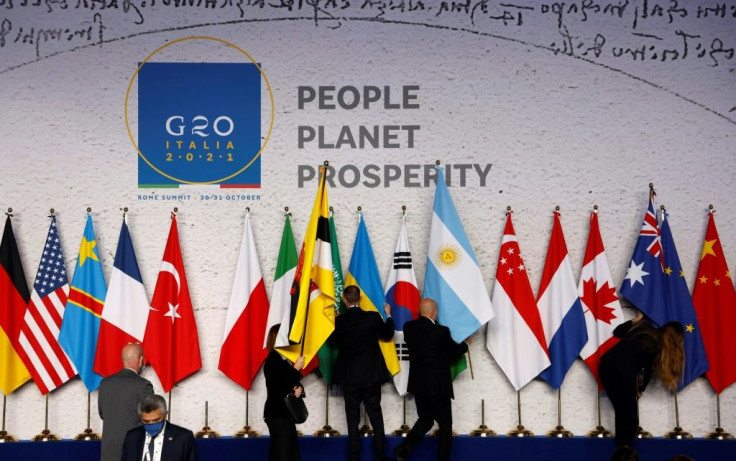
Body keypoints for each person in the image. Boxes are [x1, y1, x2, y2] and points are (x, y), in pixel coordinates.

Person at [394, 298, 470, 461]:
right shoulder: (441, 331)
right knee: (445, 425)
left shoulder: (409, 328)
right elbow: (454, 350)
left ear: (420, 311)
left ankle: (403, 449)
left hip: (419, 386)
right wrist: (466, 344)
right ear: (434, 313)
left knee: (425, 420)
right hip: (438, 386)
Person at [599, 309, 685, 449]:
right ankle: (625, 452)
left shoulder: (644, 327)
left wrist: (636, 319)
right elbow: (646, 371)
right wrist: (640, 390)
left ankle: (622, 451)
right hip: (620, 374)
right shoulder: (655, 347)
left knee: (623, 415)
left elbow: (618, 332)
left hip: (605, 367)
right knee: (630, 419)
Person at [329, 285, 394, 461]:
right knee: (376, 415)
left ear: (344, 300)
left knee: (352, 417)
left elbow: (332, 343)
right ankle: (380, 454)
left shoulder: (340, 321)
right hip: (371, 376)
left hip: (349, 377)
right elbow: (388, 335)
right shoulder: (372, 317)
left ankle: (354, 456)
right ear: (360, 299)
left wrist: (335, 321)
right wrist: (388, 315)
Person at [98, 343, 154, 461]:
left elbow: (102, 413)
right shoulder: (144, 385)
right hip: (133, 450)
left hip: (108, 451)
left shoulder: (105, 383)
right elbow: (151, 418)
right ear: (141, 360)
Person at [263, 324, 305, 461]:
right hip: (277, 413)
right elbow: (281, 385)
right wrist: (297, 368)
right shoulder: (273, 359)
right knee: (283, 454)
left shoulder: (282, 359)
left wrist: (300, 389)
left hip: (284, 414)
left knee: (288, 452)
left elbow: (290, 382)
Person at [120, 393, 197, 461]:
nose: (151, 424)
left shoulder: (183, 437)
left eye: (156, 420)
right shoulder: (131, 437)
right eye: (146, 421)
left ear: (165, 415)